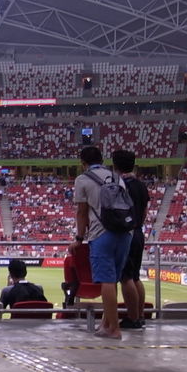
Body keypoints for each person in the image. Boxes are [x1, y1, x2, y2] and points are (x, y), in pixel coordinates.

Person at [73, 145, 130, 340]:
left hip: (101, 233)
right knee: (113, 279)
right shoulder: (116, 177)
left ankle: (114, 328)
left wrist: (79, 238)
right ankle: (106, 324)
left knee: (106, 281)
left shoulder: (83, 180)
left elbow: (82, 212)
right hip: (124, 232)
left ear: (83, 163)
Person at [112, 149, 150, 329]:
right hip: (138, 232)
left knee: (125, 277)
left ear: (115, 165)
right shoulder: (141, 185)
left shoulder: (119, 185)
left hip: (126, 233)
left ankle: (133, 318)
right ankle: (140, 315)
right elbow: (144, 212)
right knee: (135, 277)